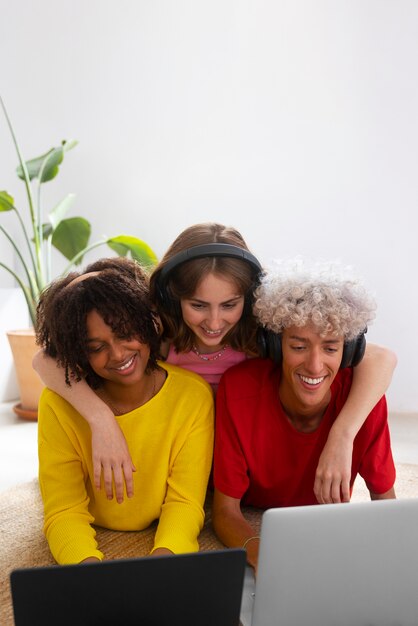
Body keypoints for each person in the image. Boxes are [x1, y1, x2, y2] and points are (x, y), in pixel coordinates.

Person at [33, 223, 397, 506]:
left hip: (235, 470)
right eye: (198, 305)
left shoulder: (260, 339)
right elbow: (43, 359)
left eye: (229, 305)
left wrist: (342, 435)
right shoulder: (159, 336)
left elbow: (382, 358)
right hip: (175, 464)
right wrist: (100, 419)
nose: (214, 322)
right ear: (172, 297)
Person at [212, 259, 396, 573]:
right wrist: (262, 556)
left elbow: (388, 506)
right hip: (257, 511)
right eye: (298, 346)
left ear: (349, 351)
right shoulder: (238, 390)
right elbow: (225, 511)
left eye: (330, 348)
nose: (314, 366)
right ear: (276, 345)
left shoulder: (362, 401)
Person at [36, 258, 214, 564]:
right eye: (95, 347)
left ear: (147, 322)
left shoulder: (192, 396)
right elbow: (64, 510)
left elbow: (184, 503)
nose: (117, 354)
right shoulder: (58, 405)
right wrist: (88, 568)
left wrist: (165, 559)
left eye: (124, 333)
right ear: (78, 351)